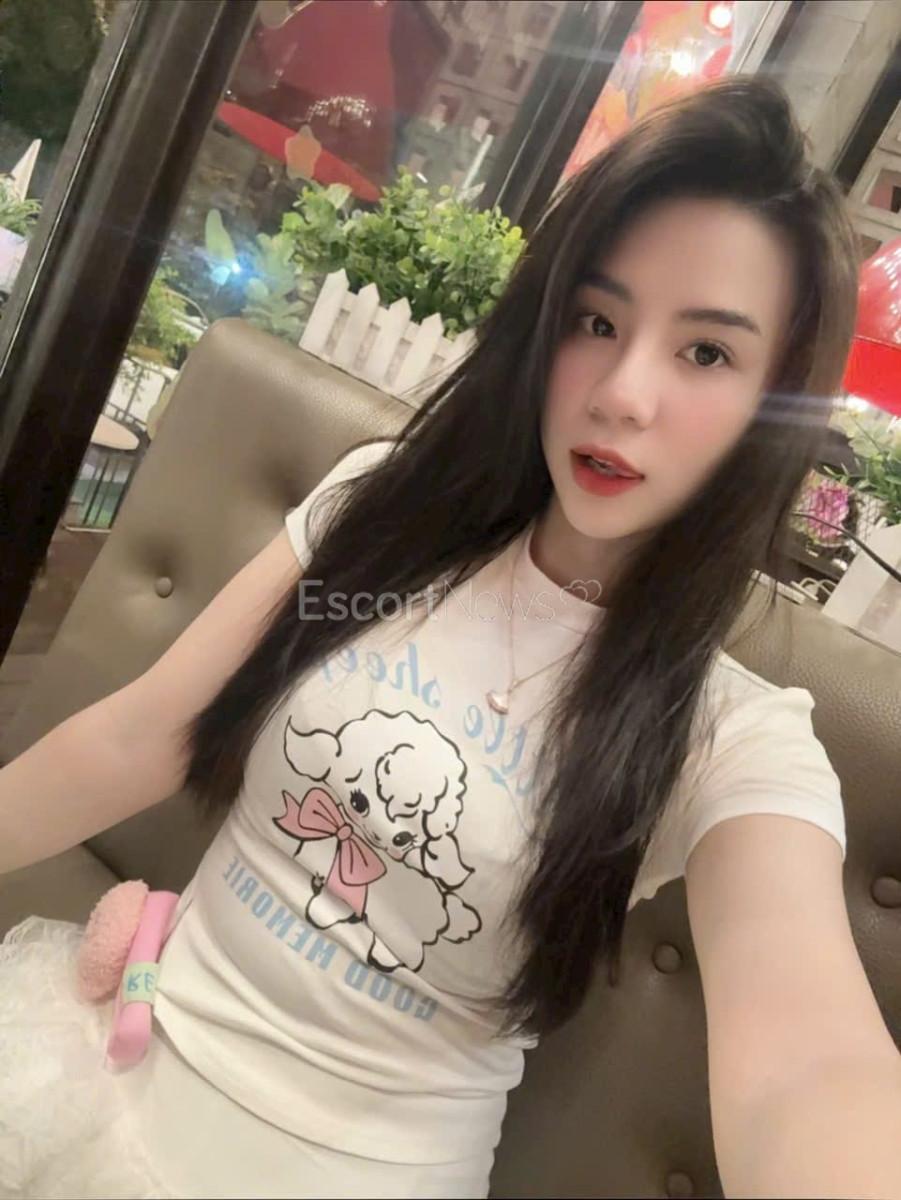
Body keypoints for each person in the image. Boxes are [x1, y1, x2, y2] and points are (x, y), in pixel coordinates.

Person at [2, 77, 901, 1200]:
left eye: (706, 354)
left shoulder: (732, 741)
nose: (622, 394)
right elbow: (138, 735)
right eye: (596, 321)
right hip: (91, 1078)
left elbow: (806, 1069)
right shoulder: (383, 518)